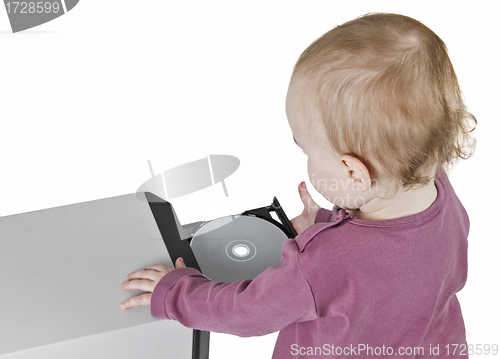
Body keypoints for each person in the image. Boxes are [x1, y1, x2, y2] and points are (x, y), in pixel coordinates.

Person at [120, 13, 476, 358]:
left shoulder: (322, 264)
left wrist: (175, 292)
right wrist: (326, 220)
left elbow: (246, 311)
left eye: (305, 148)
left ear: (353, 174)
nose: (304, 154)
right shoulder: (441, 197)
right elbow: (388, 264)